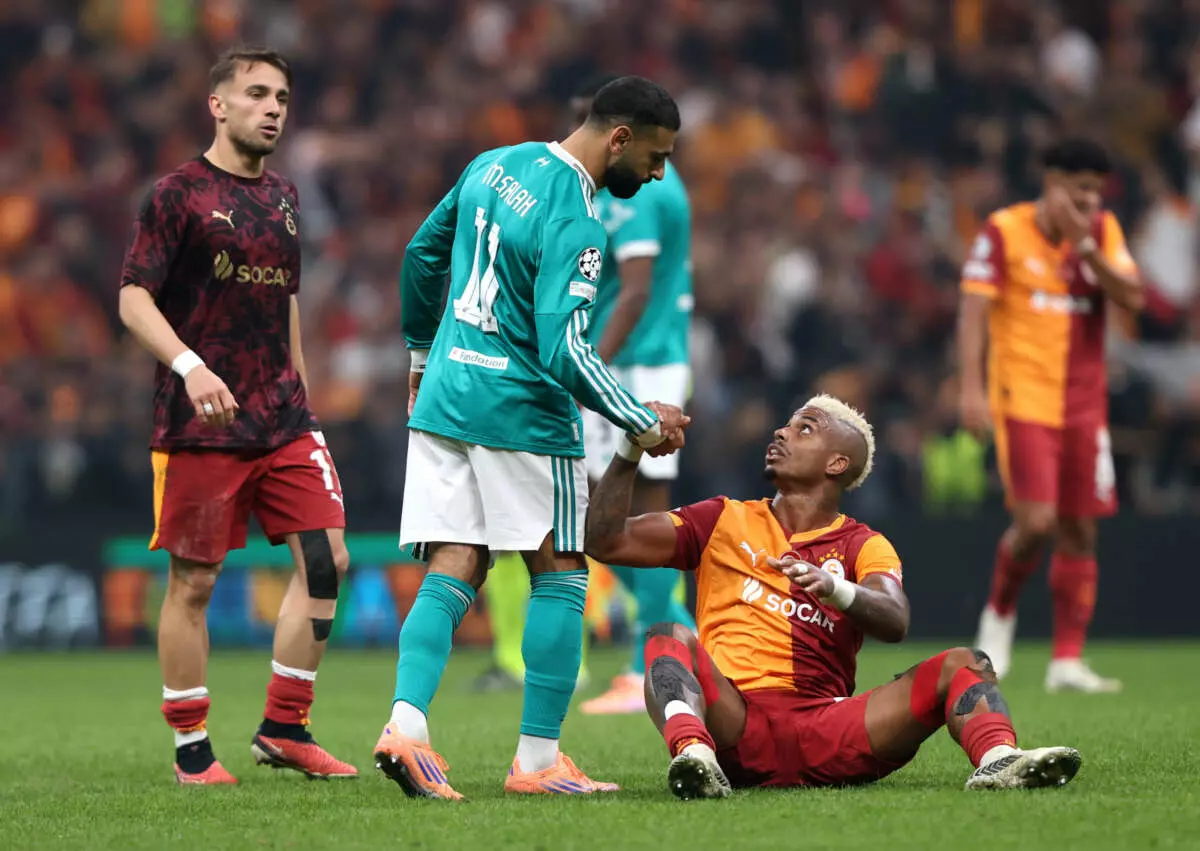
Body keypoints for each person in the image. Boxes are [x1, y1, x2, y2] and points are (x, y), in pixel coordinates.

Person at [375, 76, 689, 800]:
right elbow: (564, 352)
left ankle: (407, 725)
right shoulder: (577, 221)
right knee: (562, 569)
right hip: (519, 412)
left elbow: (422, 256)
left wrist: (422, 355)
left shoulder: (493, 163)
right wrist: (640, 416)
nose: (657, 173)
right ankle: (539, 759)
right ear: (619, 138)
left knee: (457, 560)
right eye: (654, 156)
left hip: (449, 393)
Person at [585, 395, 1082, 799]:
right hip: (735, 724)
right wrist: (630, 450)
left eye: (804, 428)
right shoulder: (722, 519)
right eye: (786, 424)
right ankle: (694, 757)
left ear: (837, 462)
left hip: (829, 728)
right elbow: (606, 541)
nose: (780, 433)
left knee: (964, 663)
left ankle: (999, 760)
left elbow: (894, 619)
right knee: (666, 637)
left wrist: (837, 588)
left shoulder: (863, 544)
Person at [118, 47, 357, 784]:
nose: (274, 106)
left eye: (281, 95)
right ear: (217, 105)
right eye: (256, 93)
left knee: (328, 561)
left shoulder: (286, 197)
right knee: (195, 582)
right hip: (204, 423)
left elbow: (284, 306)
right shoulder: (177, 194)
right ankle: (192, 744)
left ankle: (285, 726)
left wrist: (306, 404)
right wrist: (189, 367)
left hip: (283, 416)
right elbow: (133, 297)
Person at [474, 73, 698, 714]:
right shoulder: (607, 185)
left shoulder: (642, 196)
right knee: (606, 522)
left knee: (635, 519)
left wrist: (588, 370)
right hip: (629, 364)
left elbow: (634, 289)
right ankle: (669, 637)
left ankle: (648, 662)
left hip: (642, 366)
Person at [958, 138, 1143, 692]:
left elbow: (1133, 297)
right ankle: (999, 616)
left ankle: (1066, 661)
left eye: (1096, 189)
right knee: (1037, 522)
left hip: (1086, 406)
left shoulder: (1103, 233)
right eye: (1078, 188)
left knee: (1081, 529)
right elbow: (973, 310)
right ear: (1052, 183)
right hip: (1024, 401)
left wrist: (1087, 250)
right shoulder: (1005, 230)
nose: (1088, 199)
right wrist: (970, 387)